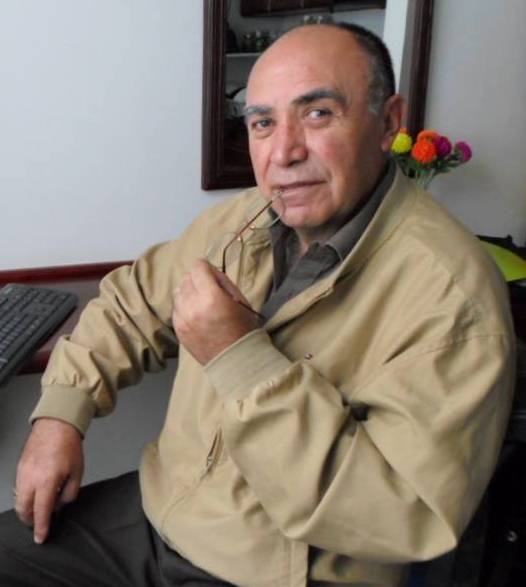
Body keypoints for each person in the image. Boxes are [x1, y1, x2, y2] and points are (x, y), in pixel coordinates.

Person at [0, 22, 516, 587]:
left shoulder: (454, 298)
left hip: (276, 571)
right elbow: (132, 302)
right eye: (263, 123)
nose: (284, 153)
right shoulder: (246, 217)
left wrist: (240, 355)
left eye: (318, 113)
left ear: (389, 121)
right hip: (164, 513)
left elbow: (400, 515)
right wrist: (59, 418)